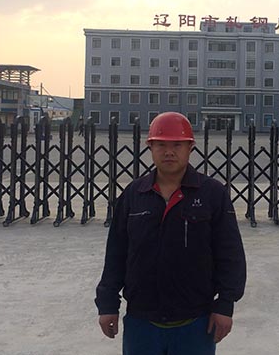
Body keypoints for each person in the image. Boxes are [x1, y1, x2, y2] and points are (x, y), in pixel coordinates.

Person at [95, 112, 246, 355]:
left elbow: (230, 254)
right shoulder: (134, 195)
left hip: (196, 322)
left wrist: (225, 304)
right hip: (142, 322)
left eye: (177, 145)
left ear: (190, 148)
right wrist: (107, 303)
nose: (169, 152)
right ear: (150, 148)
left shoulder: (212, 194)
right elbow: (116, 253)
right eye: (161, 145)